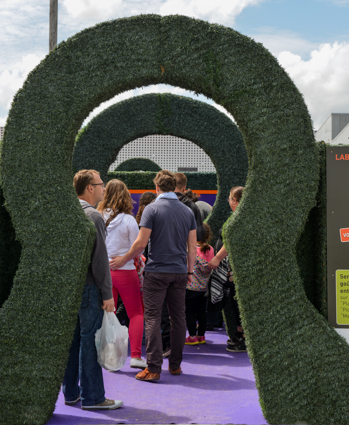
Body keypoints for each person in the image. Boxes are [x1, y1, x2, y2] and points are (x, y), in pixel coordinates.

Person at [110, 170, 197, 382]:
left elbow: (140, 244)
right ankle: (175, 365)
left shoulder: (151, 209)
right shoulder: (187, 212)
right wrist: (189, 271)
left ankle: (154, 368)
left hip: (156, 271)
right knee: (178, 319)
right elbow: (192, 247)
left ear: (156, 187)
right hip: (178, 272)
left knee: (152, 318)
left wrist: (123, 259)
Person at [63, 169, 123, 410]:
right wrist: (107, 295)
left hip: (70, 289)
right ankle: (94, 397)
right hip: (89, 290)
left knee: (72, 342)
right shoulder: (93, 217)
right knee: (90, 344)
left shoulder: (67, 214)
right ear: (90, 188)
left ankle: (71, 393)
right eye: (101, 185)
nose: (103, 189)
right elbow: (99, 261)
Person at [98, 179, 147, 369]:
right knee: (136, 313)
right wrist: (124, 259)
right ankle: (135, 356)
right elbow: (139, 249)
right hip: (126, 273)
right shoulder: (128, 220)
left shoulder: (97, 216)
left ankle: (110, 357)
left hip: (104, 274)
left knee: (108, 314)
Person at [208, 186, 246, 352]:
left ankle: (243, 338)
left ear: (236, 201)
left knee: (238, 303)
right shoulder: (240, 217)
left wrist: (216, 259)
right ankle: (239, 334)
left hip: (235, 270)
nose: (229, 201)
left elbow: (230, 243)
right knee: (234, 302)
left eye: (230, 198)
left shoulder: (239, 219)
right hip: (232, 271)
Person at [185, 223, 214, 345]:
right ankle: (201, 335)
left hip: (190, 286)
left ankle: (192, 336)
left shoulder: (190, 249)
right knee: (202, 312)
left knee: (190, 312)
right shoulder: (210, 249)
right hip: (203, 287)